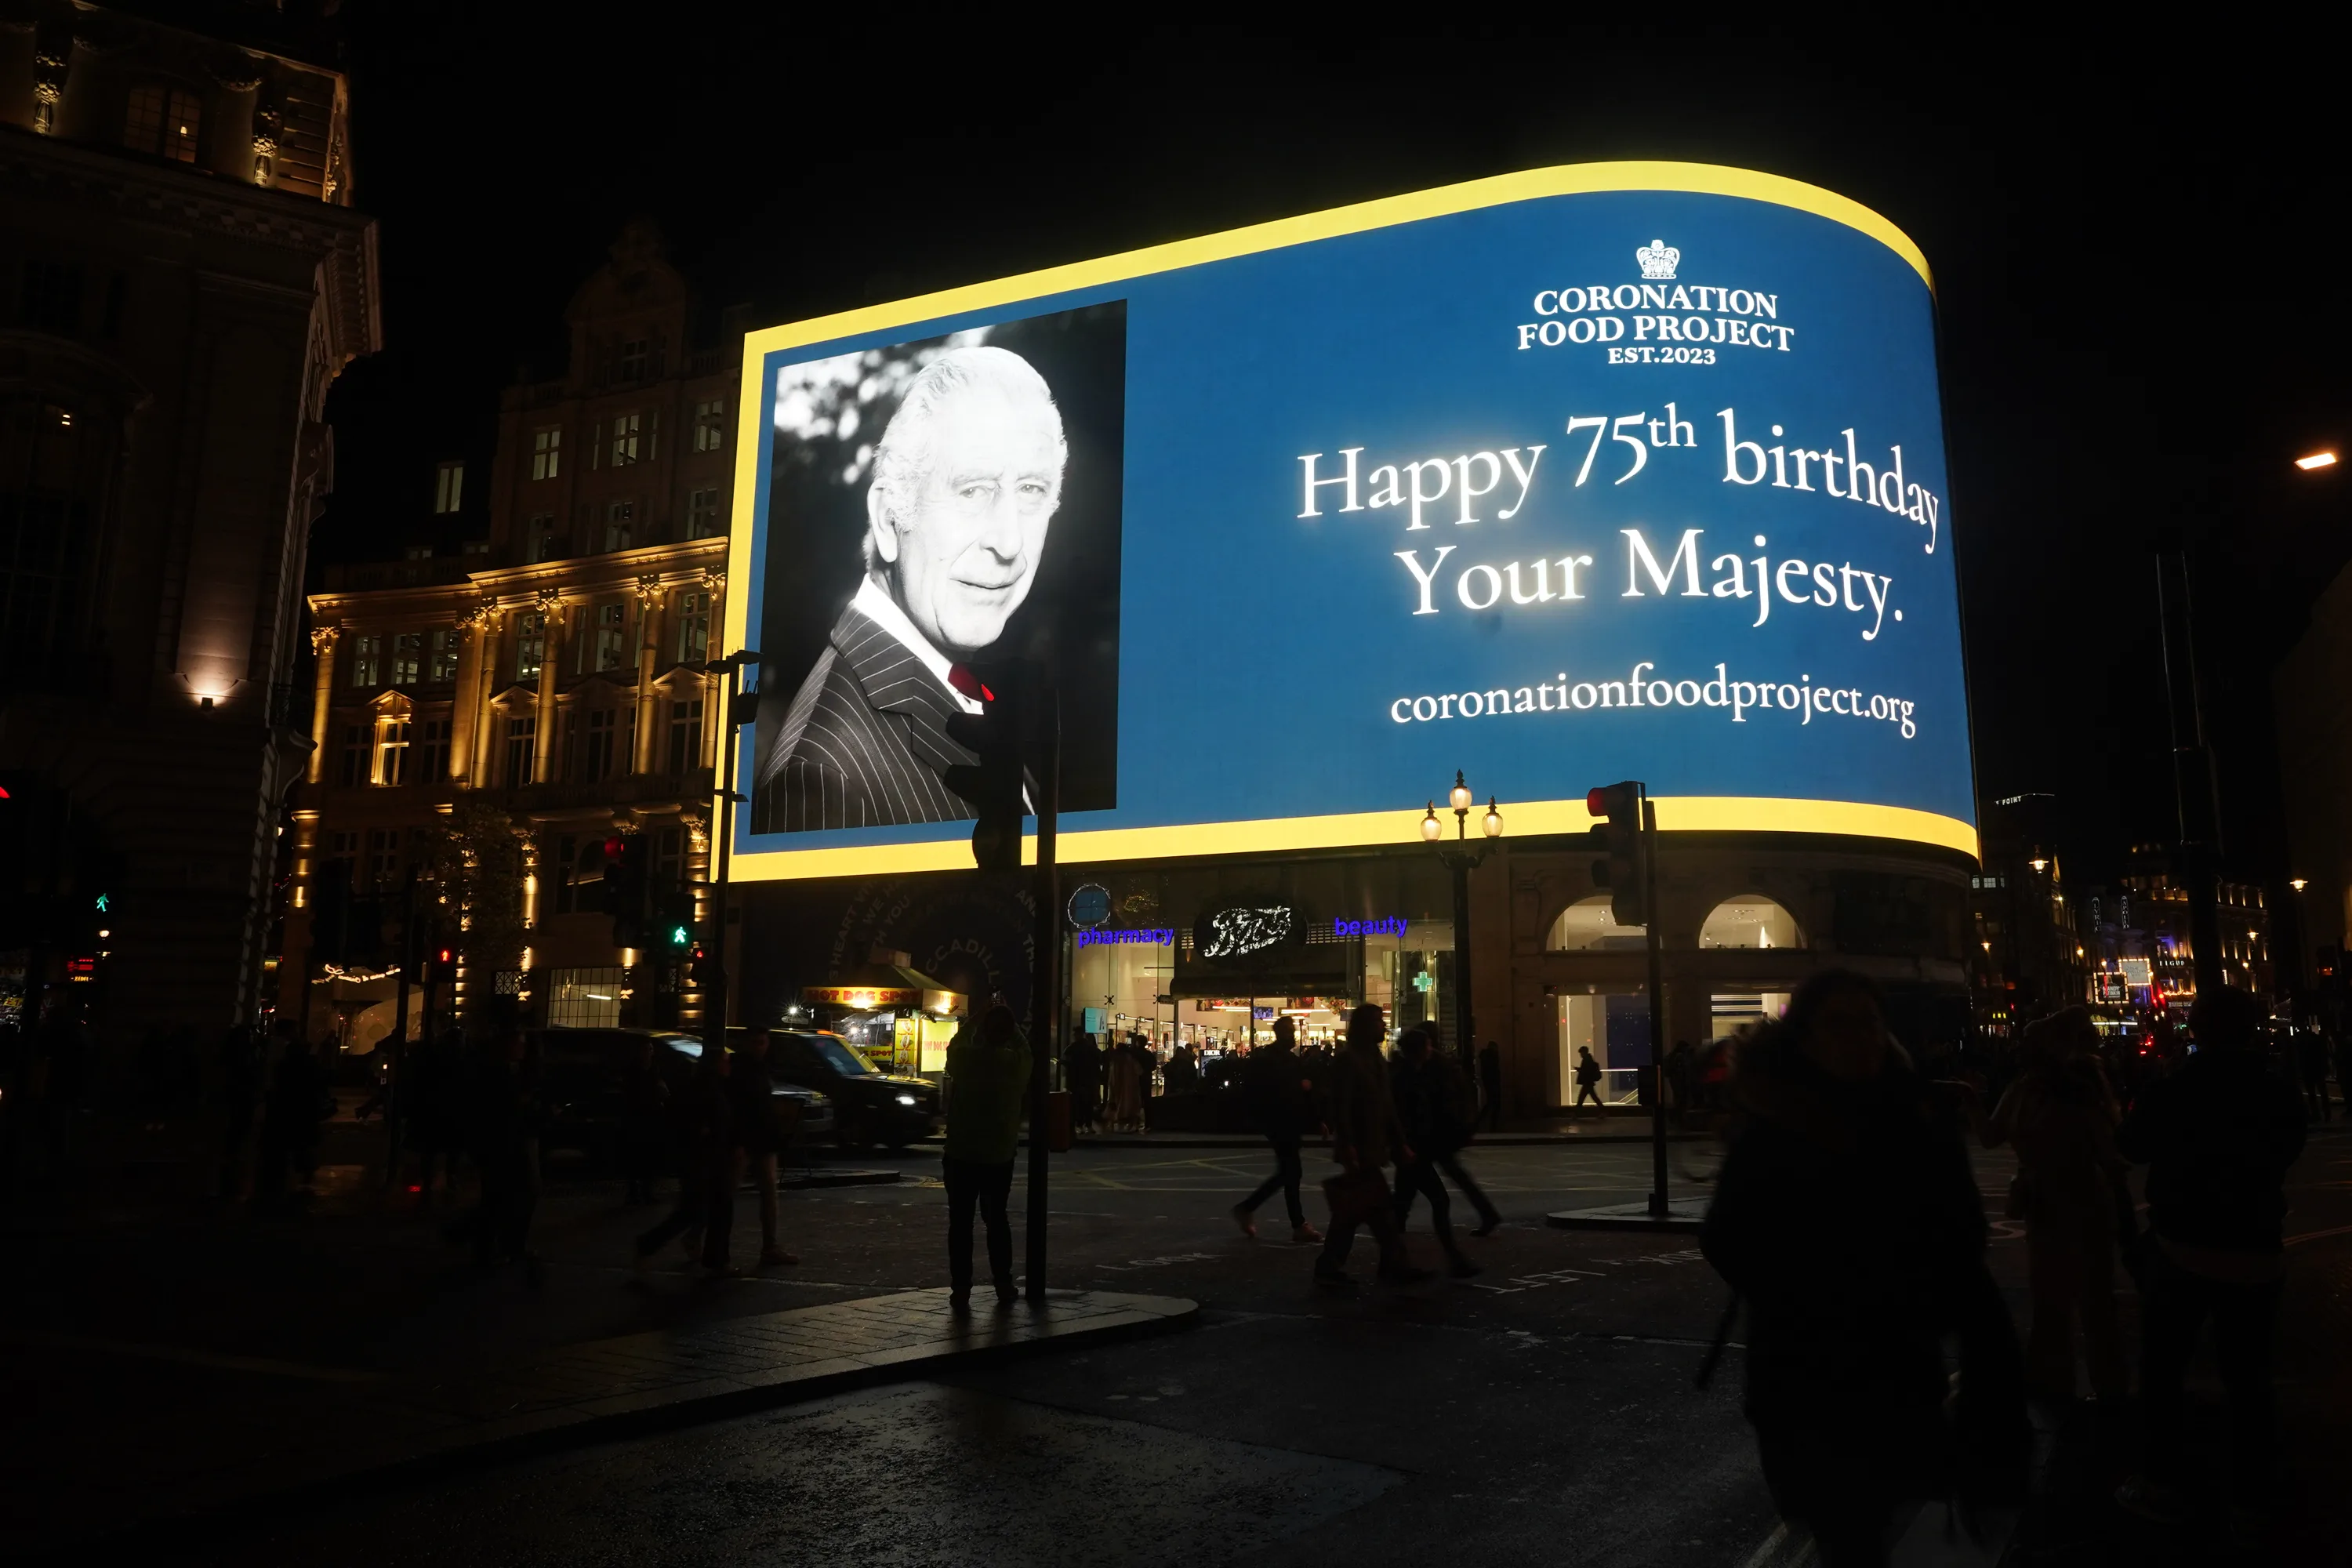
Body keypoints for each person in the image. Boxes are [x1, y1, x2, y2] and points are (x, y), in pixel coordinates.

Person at [1702, 970, 2024, 1568]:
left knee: (1889, 1523)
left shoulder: (1918, 1121)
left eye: (1871, 1022)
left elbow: (1962, 1242)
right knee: (1848, 1536)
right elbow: (1727, 1238)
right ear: (1805, 1038)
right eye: (1840, 1023)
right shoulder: (1774, 1128)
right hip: (1806, 1381)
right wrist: (1813, 1287)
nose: (1860, 1037)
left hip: (1899, 1374)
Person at [759, 347, 1069, 831]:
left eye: (1032, 490)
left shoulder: (971, 688)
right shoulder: (822, 778)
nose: (1010, 543)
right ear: (888, 519)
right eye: (972, 490)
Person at [2112, 986, 2307, 1526]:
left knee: (2163, 1370)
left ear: (2196, 1030)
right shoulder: (2277, 1089)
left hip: (2182, 1246)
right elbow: (2290, 1148)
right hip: (2256, 1244)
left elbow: (2131, 1144)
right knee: (2249, 1376)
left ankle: (2163, 1480)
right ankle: (2252, 1492)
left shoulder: (2175, 1087)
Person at [1965, 1006, 2129, 1403]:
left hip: (2081, 1200)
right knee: (2052, 1299)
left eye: (2030, 1041)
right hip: (2044, 1203)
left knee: (2091, 1300)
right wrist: (1968, 1097)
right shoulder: (2024, 1087)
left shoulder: (2077, 1089)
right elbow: (1990, 1135)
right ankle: (2057, 1384)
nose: (2022, 1049)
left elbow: (2110, 1154)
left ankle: (2104, 1387)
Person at [1316, 1004, 1425, 1289]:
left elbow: (1387, 1106)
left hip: (1373, 1145)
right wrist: (1347, 1143)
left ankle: (1338, 1265)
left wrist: (1399, 1142)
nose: (1383, 1026)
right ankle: (1390, 1265)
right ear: (1365, 1026)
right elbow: (1342, 1105)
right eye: (1378, 1021)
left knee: (1363, 1211)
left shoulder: (1374, 1058)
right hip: (1360, 1146)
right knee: (1371, 1211)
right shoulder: (1349, 1060)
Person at [943, 1003, 1031, 1310]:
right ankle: (1003, 1283)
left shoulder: (966, 1060)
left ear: (983, 1032)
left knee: (960, 1224)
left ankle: (961, 1289)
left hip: (961, 1153)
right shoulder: (1016, 1065)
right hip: (999, 1156)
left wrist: (976, 1019)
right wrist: (1011, 1023)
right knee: (996, 1221)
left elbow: (955, 1044)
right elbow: (1024, 1047)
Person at [1388, 1027, 1480, 1277]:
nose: (1431, 1049)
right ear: (1419, 1050)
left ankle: (1393, 1261)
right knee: (1438, 1200)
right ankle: (1454, 1259)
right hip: (1413, 1150)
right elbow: (1400, 1116)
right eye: (1427, 1045)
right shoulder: (1405, 1079)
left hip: (1416, 1150)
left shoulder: (1412, 1074)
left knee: (1401, 1206)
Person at [635, 1044, 731, 1276]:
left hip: (702, 1158)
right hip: (703, 1159)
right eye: (725, 1060)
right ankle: (650, 1244)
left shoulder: (704, 1086)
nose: (728, 1065)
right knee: (696, 1209)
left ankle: (656, 1244)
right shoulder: (708, 1089)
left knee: (697, 1209)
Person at [1232, 1016, 1322, 1243]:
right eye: (1290, 1031)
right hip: (1281, 1121)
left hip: (1283, 1121)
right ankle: (1294, 1223)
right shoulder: (1277, 1060)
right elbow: (1280, 1091)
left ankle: (1252, 1209)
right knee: (1291, 1171)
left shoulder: (1278, 1059)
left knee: (1290, 1172)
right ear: (1281, 1034)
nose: (1293, 1036)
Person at [469, 1028, 545, 1281]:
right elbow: (499, 1109)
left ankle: (503, 1247)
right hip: (502, 1144)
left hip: (508, 1141)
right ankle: (492, 1249)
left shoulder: (509, 1070)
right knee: (499, 1198)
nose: (522, 1049)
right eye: (519, 1044)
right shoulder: (497, 1073)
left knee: (504, 1197)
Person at [727, 1029, 799, 1269]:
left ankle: (770, 1246)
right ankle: (701, 1240)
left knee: (768, 1192)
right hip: (747, 1138)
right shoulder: (739, 1069)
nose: (760, 1047)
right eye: (756, 1042)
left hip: (761, 1138)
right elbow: (739, 1107)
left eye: (763, 1042)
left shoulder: (757, 1068)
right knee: (729, 1192)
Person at [255, 1035, 329, 1207]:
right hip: (304, 1109)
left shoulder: (283, 1066)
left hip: (287, 1109)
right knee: (303, 1142)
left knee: (288, 1143)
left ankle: (287, 1175)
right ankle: (304, 1172)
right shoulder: (310, 1066)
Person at [619, 1033, 670, 1205]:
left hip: (651, 1116)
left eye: (650, 1049)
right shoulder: (634, 1071)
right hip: (638, 1116)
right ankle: (635, 1191)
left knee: (649, 1155)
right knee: (637, 1155)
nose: (649, 1053)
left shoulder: (654, 1069)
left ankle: (645, 1190)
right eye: (647, 1049)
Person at [1062, 1029, 1102, 1134]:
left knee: (1077, 1104)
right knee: (1088, 1103)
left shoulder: (1072, 1048)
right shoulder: (1091, 1048)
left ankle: (1079, 1125)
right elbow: (1098, 1060)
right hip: (1089, 1080)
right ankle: (1088, 1125)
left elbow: (1066, 1062)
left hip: (1076, 1080)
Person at [2294, 1020, 2332, 1121]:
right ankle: (2327, 1115)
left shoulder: (2301, 1043)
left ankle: (2317, 1115)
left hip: (2309, 1070)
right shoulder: (2316, 1040)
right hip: (2317, 1069)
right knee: (2322, 1093)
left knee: (2312, 1094)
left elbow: (2300, 1057)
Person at [1478, 1039, 1503, 1133]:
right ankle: (1492, 1126)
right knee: (1495, 1104)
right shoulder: (1493, 1056)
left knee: (1490, 1103)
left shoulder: (1485, 1057)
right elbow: (1495, 1071)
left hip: (1488, 1083)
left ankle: (1481, 1121)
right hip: (1493, 1083)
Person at [1573, 1045, 1604, 1115]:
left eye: (1581, 1053)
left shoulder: (1586, 1060)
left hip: (1587, 1082)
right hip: (1589, 1082)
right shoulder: (1589, 1059)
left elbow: (1586, 1071)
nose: (1580, 1054)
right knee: (1592, 1098)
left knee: (1582, 1099)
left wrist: (1579, 1070)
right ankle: (1603, 1111)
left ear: (1584, 1052)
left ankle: (1576, 1113)